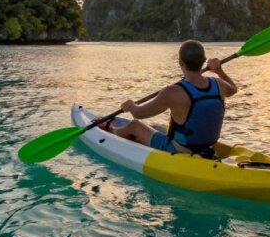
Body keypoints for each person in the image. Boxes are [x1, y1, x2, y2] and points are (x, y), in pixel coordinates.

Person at [99, 40, 237, 157]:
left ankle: (111, 131)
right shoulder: (219, 84)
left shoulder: (172, 92)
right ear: (203, 61)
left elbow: (139, 114)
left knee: (135, 126)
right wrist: (218, 70)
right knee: (159, 128)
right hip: (208, 147)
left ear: (180, 63)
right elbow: (233, 89)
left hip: (180, 150)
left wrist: (130, 106)